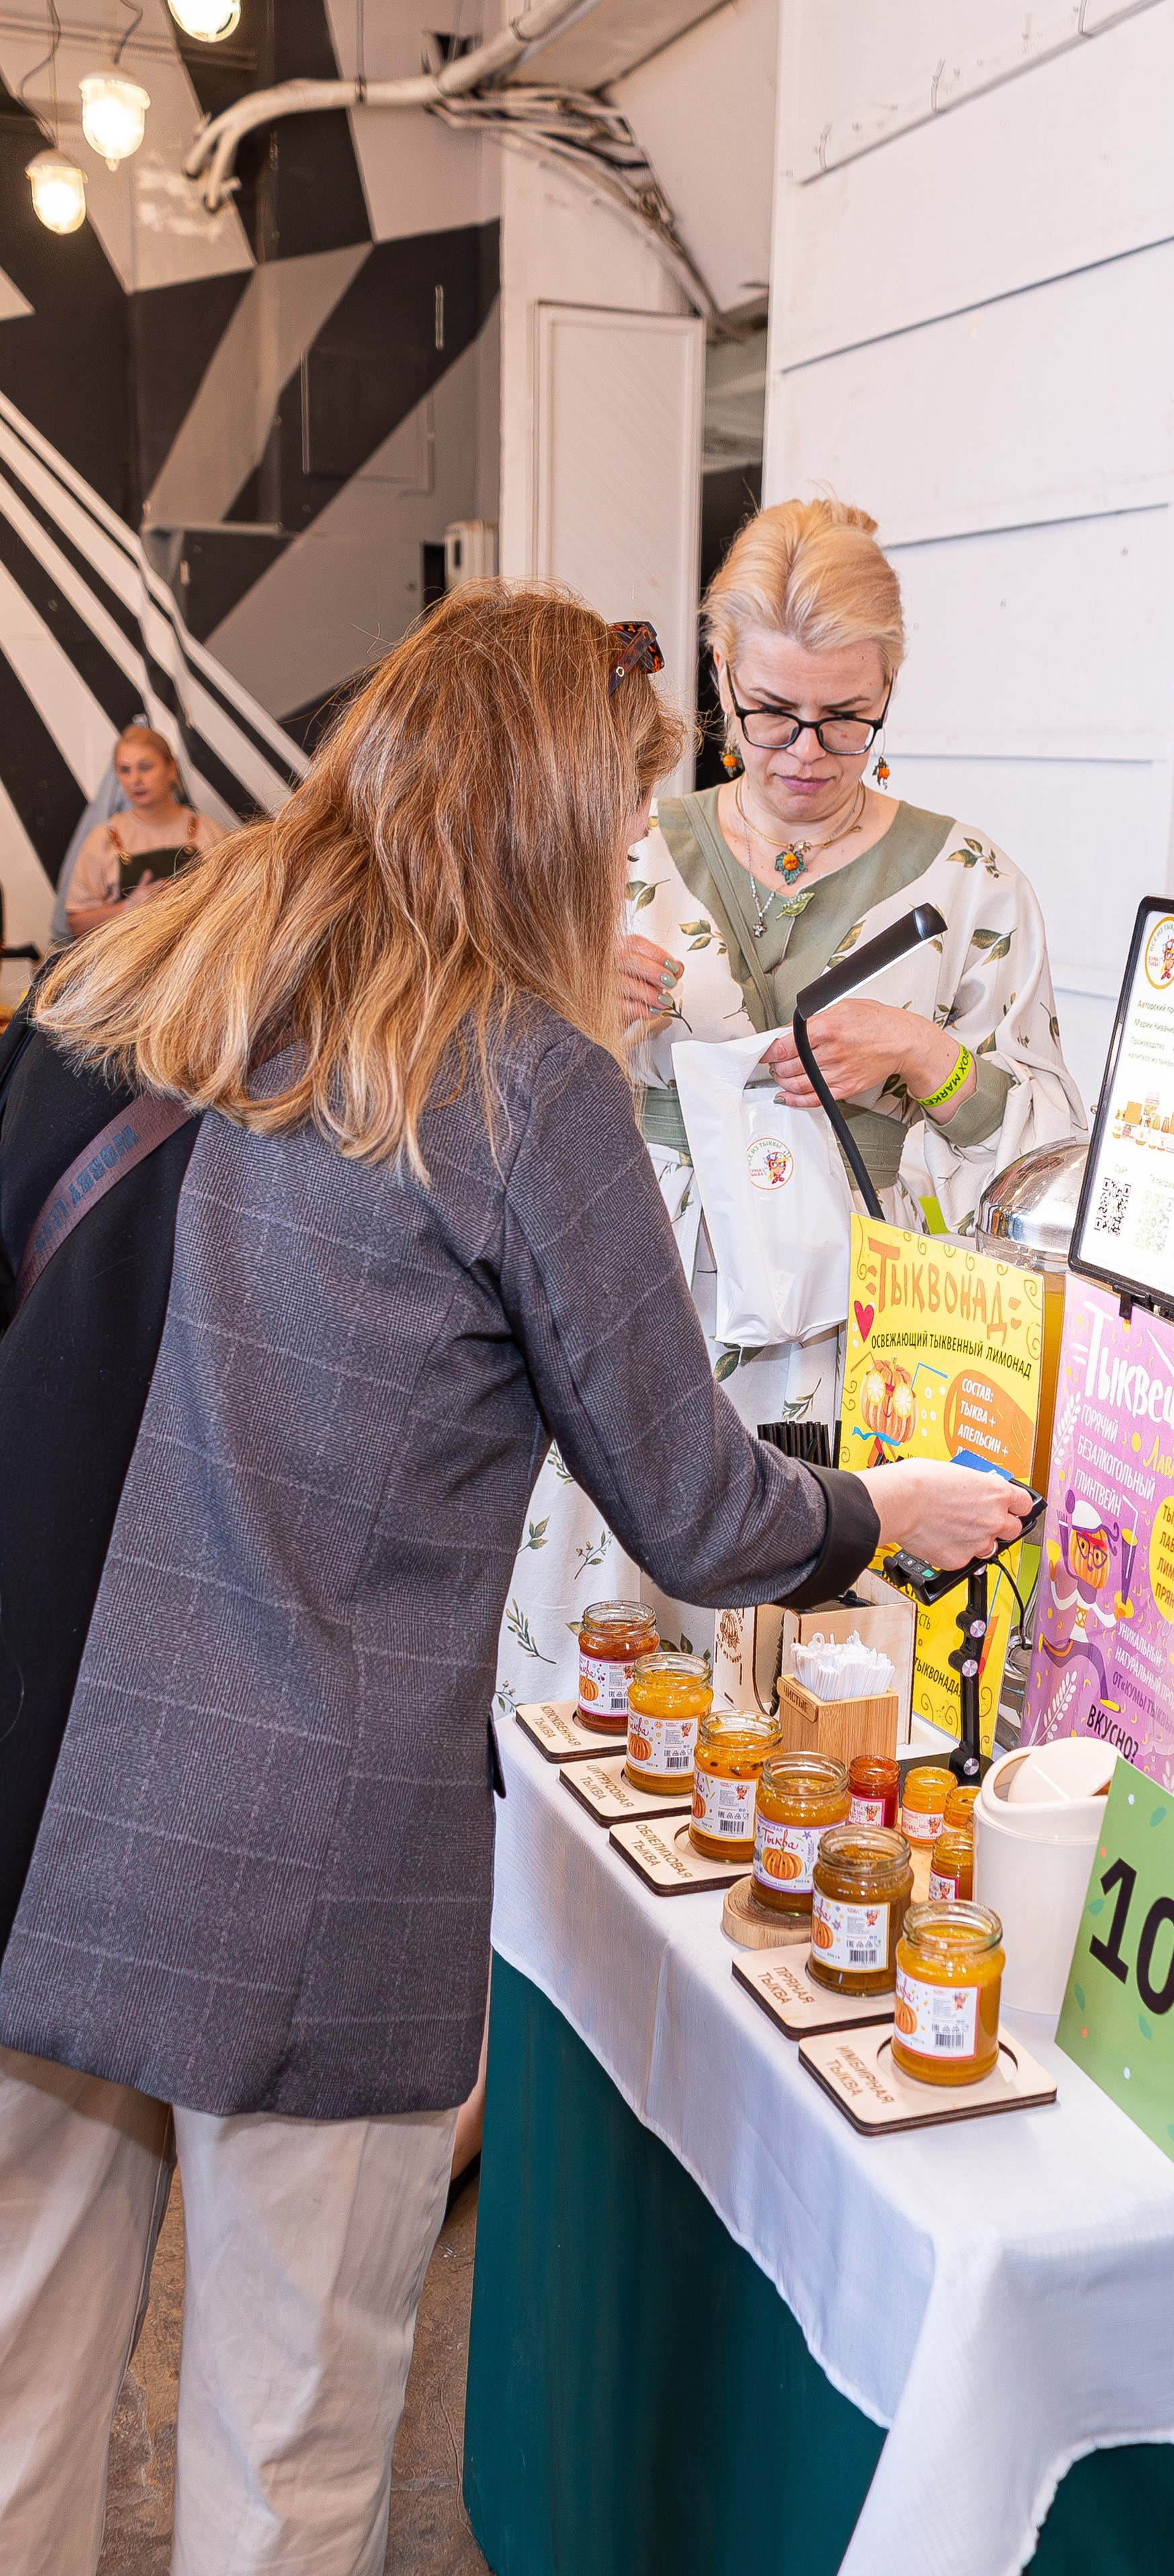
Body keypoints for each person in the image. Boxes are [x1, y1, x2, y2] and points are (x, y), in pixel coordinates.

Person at [0, 581, 1026, 2576]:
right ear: (559, 817)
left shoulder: (118, 983)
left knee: (19, 2382)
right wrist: (880, 1505)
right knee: (286, 2441)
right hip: (317, 1860)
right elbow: (701, 1507)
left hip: (41, 1805)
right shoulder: (519, 1083)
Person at [497, 497, 1083, 1710]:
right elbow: (476, 1097)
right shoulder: (619, 851)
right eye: (770, 714)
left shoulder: (971, 884)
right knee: (614, 1665)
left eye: (846, 718)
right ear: (719, 678)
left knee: (839, 1702)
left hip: (870, 1342)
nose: (807, 751)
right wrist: (568, 1012)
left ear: (891, 688)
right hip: (641, 1305)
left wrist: (935, 1062)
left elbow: (1057, 1175)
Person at [62, 724, 223, 941]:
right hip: (126, 968)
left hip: (198, 964)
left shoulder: (207, 832)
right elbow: (75, 926)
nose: (135, 780)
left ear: (171, 768)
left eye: (145, 767)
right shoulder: (104, 838)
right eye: (125, 770)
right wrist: (128, 907)